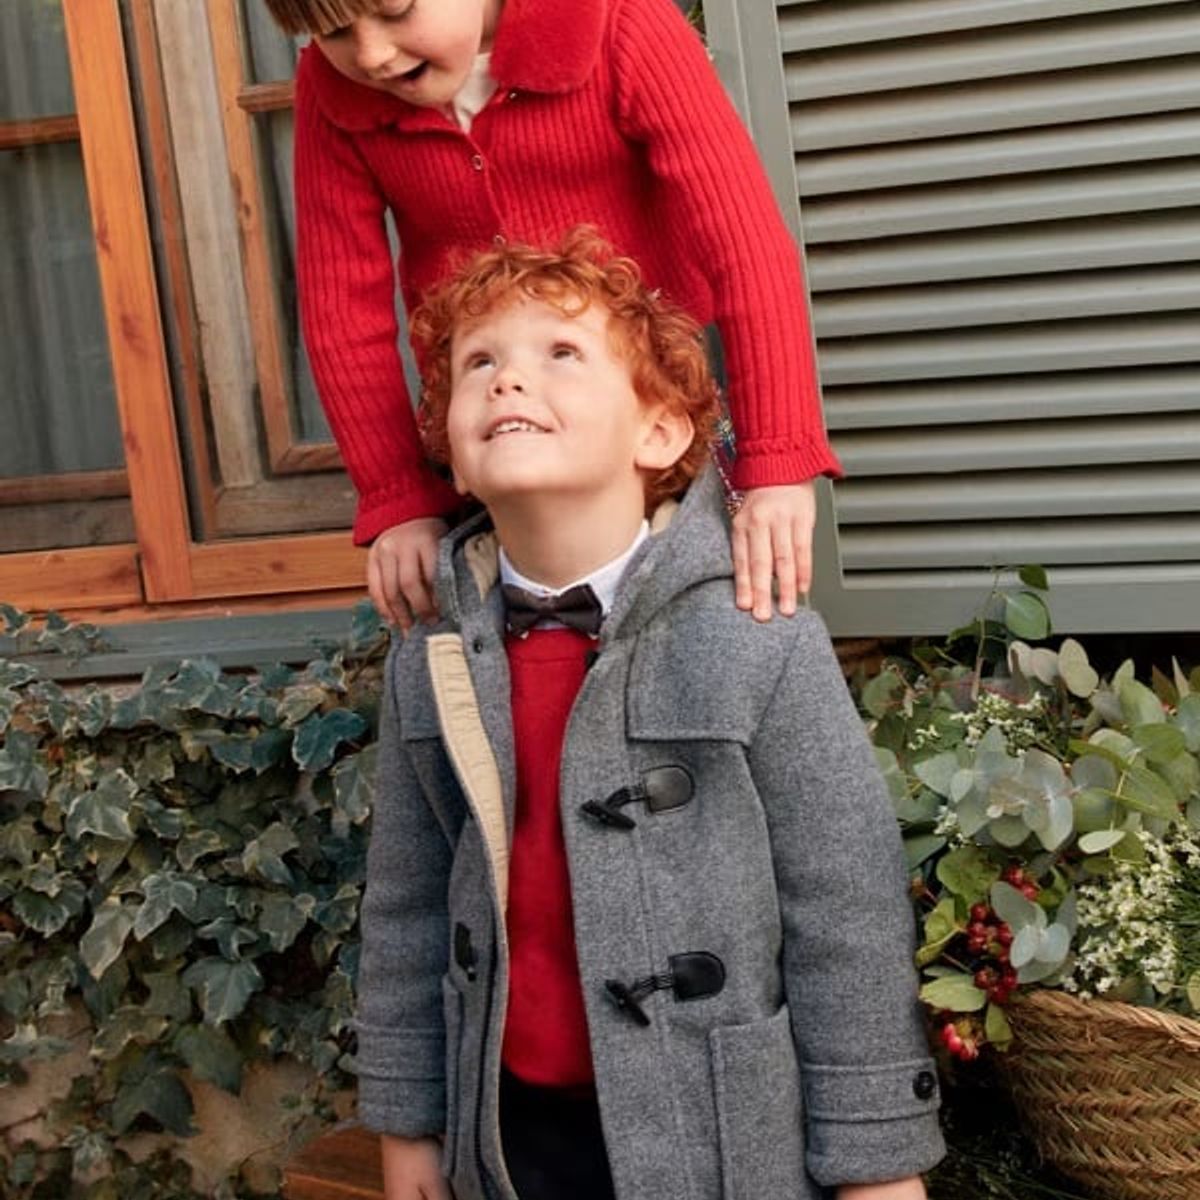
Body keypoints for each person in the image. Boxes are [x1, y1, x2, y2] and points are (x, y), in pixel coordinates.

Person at [355, 228, 944, 1200]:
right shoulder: (433, 656)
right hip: (504, 1134)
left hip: (718, 1135)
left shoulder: (760, 635)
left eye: (560, 354)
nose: (508, 381)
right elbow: (407, 907)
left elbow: (846, 908)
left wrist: (878, 1162)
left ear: (662, 432)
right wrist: (409, 1122)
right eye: (479, 364)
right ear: (451, 456)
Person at [260, 0, 843, 630]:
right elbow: (342, 312)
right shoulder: (331, 91)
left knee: (721, 609)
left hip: (658, 402)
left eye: (395, 11)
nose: (370, 54)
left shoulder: (621, 25)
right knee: (514, 631)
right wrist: (399, 497)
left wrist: (777, 459)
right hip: (498, 416)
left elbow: (744, 247)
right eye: (335, 33)